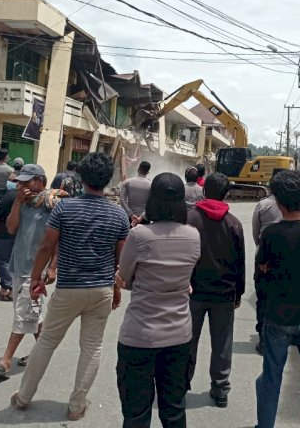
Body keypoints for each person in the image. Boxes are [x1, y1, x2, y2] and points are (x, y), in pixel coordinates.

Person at [10, 153, 130, 421]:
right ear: (107, 179)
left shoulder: (65, 208)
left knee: (47, 342)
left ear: (82, 178)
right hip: (101, 290)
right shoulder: (118, 214)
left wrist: (36, 278)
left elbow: (46, 245)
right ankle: (76, 406)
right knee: (92, 347)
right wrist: (117, 287)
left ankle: (23, 397)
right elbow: (120, 260)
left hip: (68, 288)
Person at [115, 172, 201, 427]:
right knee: (174, 411)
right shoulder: (193, 235)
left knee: (136, 413)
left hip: (139, 335)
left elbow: (126, 278)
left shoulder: (139, 235)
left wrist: (131, 282)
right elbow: (187, 278)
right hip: (179, 334)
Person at [255, 170, 300, 428]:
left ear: (278, 201)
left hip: (278, 315)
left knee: (271, 378)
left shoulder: (272, 234)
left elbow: (262, 269)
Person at [0, 165, 67, 380]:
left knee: (24, 313)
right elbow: (11, 228)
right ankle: (42, 352)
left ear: (40, 181)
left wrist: (53, 267)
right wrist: (18, 202)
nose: (21, 185)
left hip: (36, 271)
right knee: (31, 313)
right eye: (19, 182)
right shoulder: (23, 203)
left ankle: (5, 361)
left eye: (26, 181)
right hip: (19, 265)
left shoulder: (54, 204)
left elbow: (60, 240)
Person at [185, 172, 245, 408]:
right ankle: (220, 389)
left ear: (203, 191)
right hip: (223, 294)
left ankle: (180, 384)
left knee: (187, 341)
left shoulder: (189, 219)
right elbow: (240, 263)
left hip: (193, 292)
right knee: (222, 343)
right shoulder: (234, 224)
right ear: (226, 194)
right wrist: (238, 293)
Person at [252, 190, 282, 354]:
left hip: (263, 257)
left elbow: (255, 232)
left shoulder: (263, 205)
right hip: (285, 258)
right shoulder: (296, 205)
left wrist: (260, 245)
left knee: (263, 298)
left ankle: (264, 339)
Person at [0, 186, 17, 301]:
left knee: (0, 260)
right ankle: (5, 287)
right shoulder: (33, 196)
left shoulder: (11, 195)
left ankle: (11, 285)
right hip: (19, 233)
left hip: (4, 232)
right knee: (10, 261)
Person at [120, 161, 152, 226]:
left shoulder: (127, 182)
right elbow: (153, 203)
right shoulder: (151, 185)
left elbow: (122, 199)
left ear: (138, 169)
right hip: (144, 218)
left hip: (129, 218)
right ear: (148, 172)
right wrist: (141, 217)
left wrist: (131, 214)